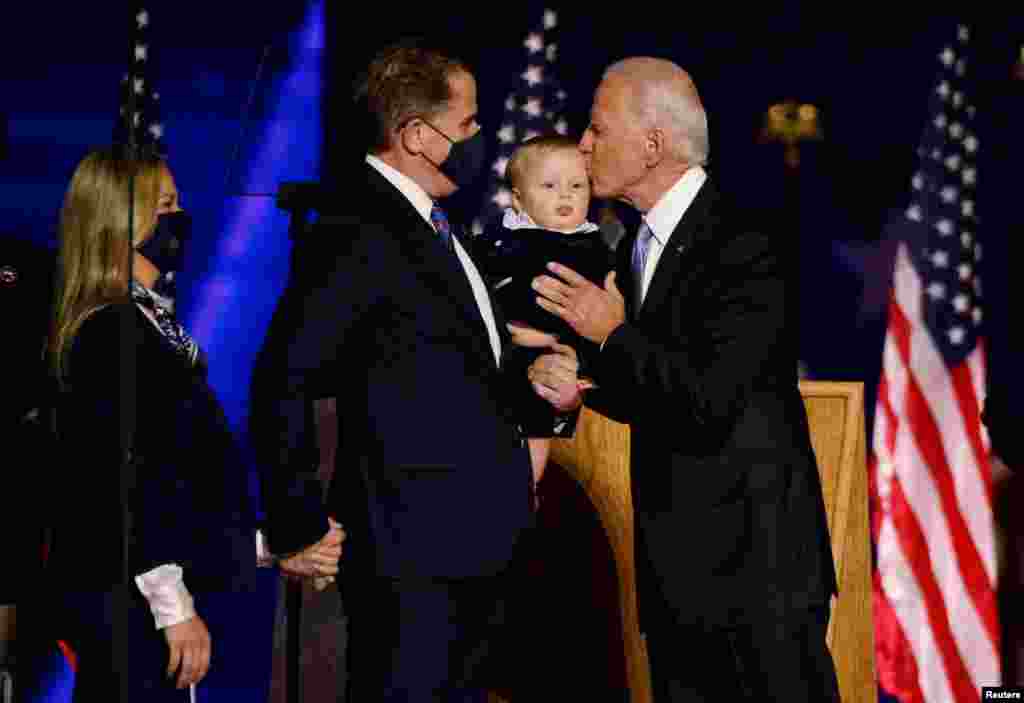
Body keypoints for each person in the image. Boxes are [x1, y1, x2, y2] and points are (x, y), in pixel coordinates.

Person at [248, 41, 577, 702]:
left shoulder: (437, 226)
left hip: (480, 545)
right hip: (411, 556)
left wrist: (538, 378)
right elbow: (283, 374)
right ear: (417, 136)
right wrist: (299, 521)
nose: (482, 138)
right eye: (469, 124)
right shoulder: (357, 229)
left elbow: (466, 364)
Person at [529, 57, 840, 701]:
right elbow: (654, 386)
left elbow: (710, 396)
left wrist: (612, 334)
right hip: (676, 575)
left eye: (596, 128)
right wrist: (583, 386)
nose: (583, 144)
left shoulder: (747, 239)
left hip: (757, 578)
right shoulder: (632, 244)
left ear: (652, 144)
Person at [20, 146, 297, 701]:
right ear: (120, 222)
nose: (179, 217)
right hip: (130, 600)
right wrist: (172, 607)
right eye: (164, 204)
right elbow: (120, 480)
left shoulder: (143, 318)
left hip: (147, 594)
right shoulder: (109, 332)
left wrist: (262, 543)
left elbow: (183, 473)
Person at [472, 133, 612, 489]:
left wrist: (546, 336)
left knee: (536, 421)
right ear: (518, 198)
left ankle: (527, 490)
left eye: (577, 185)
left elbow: (596, 317)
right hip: (493, 361)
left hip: (552, 362)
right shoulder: (499, 240)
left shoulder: (591, 249)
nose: (565, 195)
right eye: (549, 185)